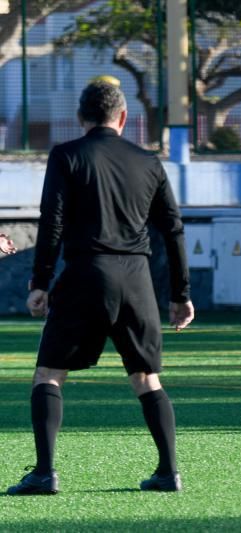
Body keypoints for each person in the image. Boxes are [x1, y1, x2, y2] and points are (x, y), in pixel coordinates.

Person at [7, 81, 194, 495]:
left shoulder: (67, 155)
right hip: (137, 279)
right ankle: (168, 472)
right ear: (124, 117)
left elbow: (51, 222)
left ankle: (45, 473)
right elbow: (173, 228)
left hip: (85, 275)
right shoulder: (148, 162)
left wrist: (40, 282)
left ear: (81, 118)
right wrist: (180, 294)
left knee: (49, 374)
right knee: (147, 378)